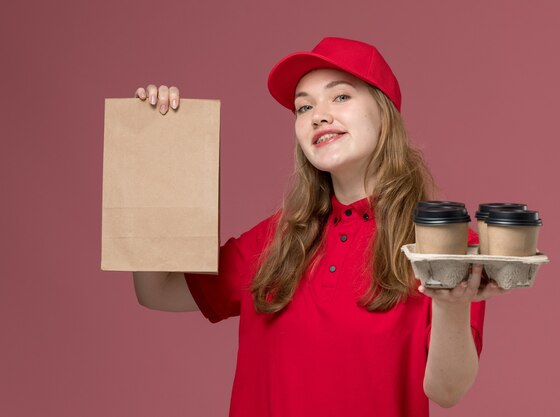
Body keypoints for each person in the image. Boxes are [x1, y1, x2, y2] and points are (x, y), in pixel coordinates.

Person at [132, 37, 509, 417]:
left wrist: (451, 305)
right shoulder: (272, 240)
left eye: (340, 97)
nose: (318, 115)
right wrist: (158, 153)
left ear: (384, 112)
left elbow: (447, 390)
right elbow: (157, 290)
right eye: (304, 106)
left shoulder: (444, 243)